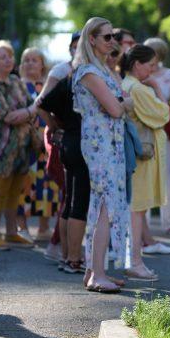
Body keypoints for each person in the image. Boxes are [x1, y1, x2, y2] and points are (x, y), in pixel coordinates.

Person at [72, 17, 132, 293]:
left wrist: (122, 101)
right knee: (105, 206)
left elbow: (120, 97)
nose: (112, 42)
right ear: (91, 39)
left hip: (111, 142)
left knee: (104, 205)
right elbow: (117, 108)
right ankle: (97, 273)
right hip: (100, 144)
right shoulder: (88, 72)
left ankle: (93, 271)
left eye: (113, 37)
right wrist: (124, 103)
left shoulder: (103, 69)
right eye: (106, 37)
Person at [0, 40, 36, 251]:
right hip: (1, 147)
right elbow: (8, 117)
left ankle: (11, 232)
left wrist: (27, 112)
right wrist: (29, 112)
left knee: (14, 191)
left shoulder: (15, 80)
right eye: (2, 57)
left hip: (22, 145)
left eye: (10, 56)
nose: (8, 60)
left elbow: (29, 105)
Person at [38, 40, 88, 273]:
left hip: (69, 141)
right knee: (78, 202)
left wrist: (57, 125)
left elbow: (42, 104)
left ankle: (67, 256)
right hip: (79, 143)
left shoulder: (71, 76)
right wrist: (54, 126)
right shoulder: (81, 77)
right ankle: (73, 259)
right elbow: (41, 104)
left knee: (69, 201)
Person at [121, 45, 169, 280]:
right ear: (137, 64)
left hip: (137, 153)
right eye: (150, 65)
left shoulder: (129, 85)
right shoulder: (138, 88)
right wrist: (157, 88)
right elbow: (163, 114)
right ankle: (135, 262)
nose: (152, 70)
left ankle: (133, 260)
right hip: (142, 155)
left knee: (136, 208)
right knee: (137, 209)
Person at [144, 37, 170, 238]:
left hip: (164, 129)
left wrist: (162, 106)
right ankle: (143, 223)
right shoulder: (139, 74)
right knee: (144, 174)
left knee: (167, 175)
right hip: (143, 129)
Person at [18, 47, 59, 242]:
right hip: (24, 142)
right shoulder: (17, 86)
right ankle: (22, 227)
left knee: (47, 185)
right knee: (23, 185)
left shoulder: (49, 86)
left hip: (47, 142)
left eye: (34, 60)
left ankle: (44, 227)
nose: (30, 63)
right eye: (26, 60)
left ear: (42, 64)